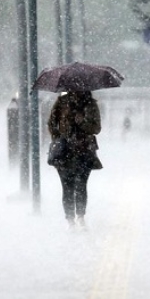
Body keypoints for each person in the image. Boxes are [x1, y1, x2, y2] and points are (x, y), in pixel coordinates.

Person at [48, 91, 102, 230]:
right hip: (65, 153)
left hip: (84, 151)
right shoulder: (61, 102)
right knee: (67, 187)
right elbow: (51, 123)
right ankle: (70, 220)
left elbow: (96, 128)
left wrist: (82, 122)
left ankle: (81, 217)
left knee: (81, 185)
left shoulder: (91, 104)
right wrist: (59, 139)